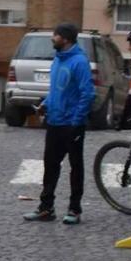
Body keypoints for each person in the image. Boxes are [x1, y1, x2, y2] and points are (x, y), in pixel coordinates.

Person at [24, 22, 93, 226]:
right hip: (54, 121)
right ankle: (46, 208)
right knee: (50, 166)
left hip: (72, 124)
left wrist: (76, 121)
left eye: (55, 35)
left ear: (65, 38)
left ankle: (74, 209)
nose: (52, 38)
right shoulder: (58, 59)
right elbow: (57, 90)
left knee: (75, 167)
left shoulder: (79, 62)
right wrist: (46, 104)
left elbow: (87, 94)